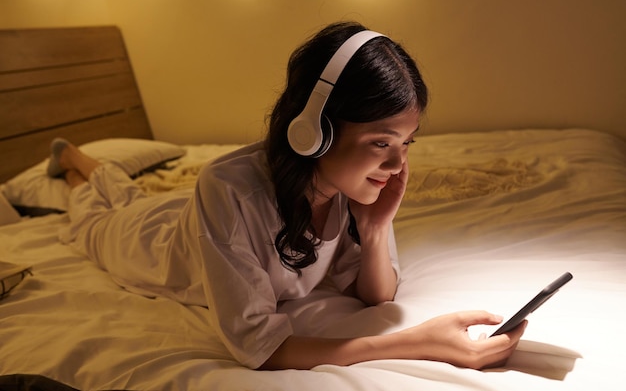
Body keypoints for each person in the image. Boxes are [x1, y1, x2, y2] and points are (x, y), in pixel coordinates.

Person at [48, 21, 526, 371]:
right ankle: (73, 165)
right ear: (312, 131)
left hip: (188, 217)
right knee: (94, 220)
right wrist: (417, 342)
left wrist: (376, 229)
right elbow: (261, 347)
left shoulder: (347, 187)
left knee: (127, 194)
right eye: (382, 143)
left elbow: (375, 293)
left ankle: (83, 161)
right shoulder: (228, 188)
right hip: (149, 243)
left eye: (405, 144)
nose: (398, 164)